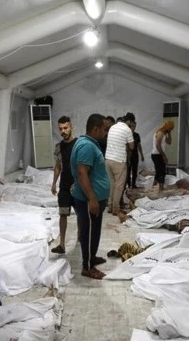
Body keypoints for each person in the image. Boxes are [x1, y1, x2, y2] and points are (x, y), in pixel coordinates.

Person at [70, 113, 111, 279]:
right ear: (95, 129)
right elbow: (82, 173)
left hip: (94, 198)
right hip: (88, 200)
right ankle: (87, 267)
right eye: (104, 129)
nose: (105, 132)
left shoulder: (89, 143)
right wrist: (92, 198)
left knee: (94, 230)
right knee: (87, 232)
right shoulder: (87, 146)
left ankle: (92, 257)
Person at [50, 116, 77, 254]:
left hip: (78, 186)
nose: (63, 131)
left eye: (65, 128)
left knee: (81, 214)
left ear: (71, 127)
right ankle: (62, 244)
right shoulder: (59, 147)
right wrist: (54, 183)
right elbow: (58, 166)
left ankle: (81, 240)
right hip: (65, 185)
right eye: (60, 129)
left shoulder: (79, 144)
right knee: (63, 214)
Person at [105, 113, 135, 216]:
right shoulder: (127, 130)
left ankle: (110, 206)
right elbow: (132, 147)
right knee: (119, 186)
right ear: (129, 122)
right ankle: (116, 209)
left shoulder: (113, 127)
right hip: (119, 161)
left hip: (108, 159)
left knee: (112, 184)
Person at [151, 120, 174, 190]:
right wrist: (164, 156)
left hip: (157, 154)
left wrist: (169, 133)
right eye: (170, 128)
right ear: (167, 127)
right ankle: (160, 189)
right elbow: (158, 146)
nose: (170, 130)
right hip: (157, 155)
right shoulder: (160, 133)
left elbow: (169, 142)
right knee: (162, 172)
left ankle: (154, 186)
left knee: (158, 172)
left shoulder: (163, 133)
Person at [126, 120, 145, 189]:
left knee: (134, 170)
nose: (134, 128)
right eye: (132, 126)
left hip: (135, 155)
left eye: (135, 126)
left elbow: (139, 145)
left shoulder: (137, 135)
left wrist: (142, 154)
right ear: (130, 126)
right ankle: (128, 184)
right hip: (128, 155)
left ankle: (133, 184)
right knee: (128, 170)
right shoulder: (127, 134)